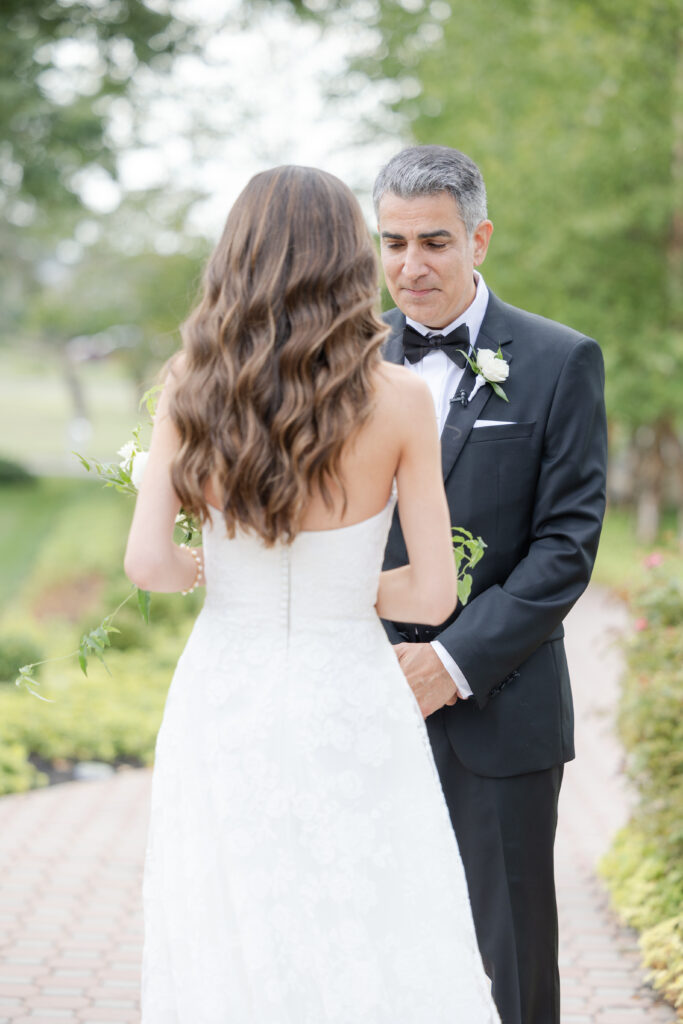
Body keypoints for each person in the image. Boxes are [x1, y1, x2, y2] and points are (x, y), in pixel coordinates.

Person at [124, 165, 500, 1023]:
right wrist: (338, 589)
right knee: (371, 907)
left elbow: (146, 563)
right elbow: (434, 592)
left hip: (225, 687)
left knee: (227, 911)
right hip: (349, 690)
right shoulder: (401, 398)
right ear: (349, 259)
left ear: (238, 258)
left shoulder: (190, 388)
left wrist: (215, 574)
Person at [375, 144, 608, 1024]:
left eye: (433, 241)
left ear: (480, 238)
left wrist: (451, 661)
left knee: (509, 959)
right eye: (391, 242)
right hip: (361, 702)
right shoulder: (343, 363)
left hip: (500, 709)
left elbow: (565, 546)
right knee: (376, 938)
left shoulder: (558, 360)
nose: (410, 266)